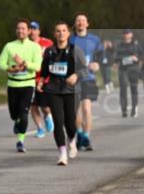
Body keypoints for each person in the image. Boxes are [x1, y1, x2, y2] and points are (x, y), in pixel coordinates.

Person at [38, 21, 86, 165]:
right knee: (58, 122)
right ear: (54, 34)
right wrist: (40, 82)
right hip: (53, 90)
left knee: (70, 123)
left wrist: (76, 75)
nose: (61, 33)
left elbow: (84, 69)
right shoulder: (50, 51)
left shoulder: (75, 50)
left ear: (68, 33)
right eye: (58, 31)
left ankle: (71, 139)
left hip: (71, 91)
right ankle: (62, 153)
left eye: (64, 31)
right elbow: (44, 70)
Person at [0, 20, 42, 153]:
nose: (20, 31)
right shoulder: (9, 46)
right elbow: (1, 64)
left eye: (23, 28)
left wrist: (23, 63)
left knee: (24, 114)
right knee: (14, 115)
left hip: (28, 84)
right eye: (18, 28)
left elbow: (38, 67)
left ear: (29, 31)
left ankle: (20, 141)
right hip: (12, 84)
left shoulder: (34, 47)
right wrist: (10, 69)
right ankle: (16, 121)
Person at [70, 14, 104, 151]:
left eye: (83, 21)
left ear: (87, 24)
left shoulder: (94, 40)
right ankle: (79, 134)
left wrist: (97, 64)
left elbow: (101, 57)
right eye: (78, 21)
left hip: (89, 79)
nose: (81, 23)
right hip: (74, 79)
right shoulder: (70, 40)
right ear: (75, 24)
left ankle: (86, 137)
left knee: (86, 109)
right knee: (75, 111)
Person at [27, 21, 55, 139]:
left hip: (45, 79)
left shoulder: (47, 43)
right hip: (29, 79)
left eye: (35, 29)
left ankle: (48, 116)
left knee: (45, 106)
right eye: (31, 29)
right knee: (32, 106)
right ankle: (39, 128)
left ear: (39, 31)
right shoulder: (25, 45)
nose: (32, 31)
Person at [114, 28, 143, 118]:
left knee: (133, 88)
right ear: (123, 35)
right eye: (125, 33)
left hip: (133, 68)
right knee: (123, 88)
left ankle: (134, 109)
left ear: (131, 35)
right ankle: (124, 109)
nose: (126, 35)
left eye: (128, 33)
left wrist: (137, 58)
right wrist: (126, 58)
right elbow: (116, 58)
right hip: (123, 69)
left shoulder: (136, 44)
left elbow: (142, 55)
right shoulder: (120, 45)